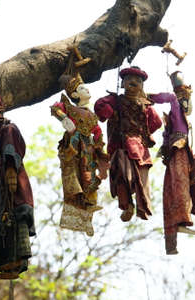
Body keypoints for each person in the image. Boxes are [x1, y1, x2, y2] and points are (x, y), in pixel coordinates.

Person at [149, 71, 195, 254]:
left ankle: (178, 226)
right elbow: (169, 97)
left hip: (182, 152)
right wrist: (150, 97)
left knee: (180, 187)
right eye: (185, 99)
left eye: (188, 100)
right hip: (178, 150)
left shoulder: (183, 117)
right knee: (179, 186)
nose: (187, 103)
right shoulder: (176, 106)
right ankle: (181, 220)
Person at [94, 66, 162, 222]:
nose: (133, 82)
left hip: (139, 147)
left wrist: (143, 132)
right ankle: (127, 205)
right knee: (121, 176)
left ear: (142, 87)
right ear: (122, 83)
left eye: (138, 81)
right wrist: (112, 114)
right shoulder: (115, 100)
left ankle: (141, 206)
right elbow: (99, 106)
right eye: (129, 79)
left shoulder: (146, 105)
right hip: (120, 146)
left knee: (141, 178)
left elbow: (156, 122)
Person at [0, 92, 35, 280]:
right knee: (4, 221)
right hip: (4, 190)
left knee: (14, 218)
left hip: (14, 188)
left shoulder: (9, 130)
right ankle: (7, 262)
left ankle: (17, 260)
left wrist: (11, 173)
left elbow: (12, 154)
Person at [51, 72, 109, 236]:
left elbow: (97, 132)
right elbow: (56, 108)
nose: (87, 90)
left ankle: (87, 220)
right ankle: (78, 215)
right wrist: (64, 119)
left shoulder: (92, 115)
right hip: (73, 147)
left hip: (88, 150)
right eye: (82, 88)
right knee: (75, 180)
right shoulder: (70, 108)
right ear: (75, 94)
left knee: (89, 181)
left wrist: (100, 150)